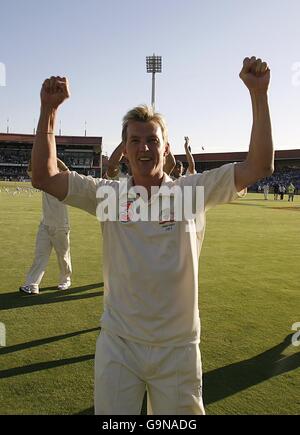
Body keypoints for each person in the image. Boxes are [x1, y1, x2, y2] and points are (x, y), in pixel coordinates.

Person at [30, 56, 273, 415]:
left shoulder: (192, 192)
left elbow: (259, 165)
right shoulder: (108, 196)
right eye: (135, 141)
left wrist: (258, 94)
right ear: (125, 151)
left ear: (166, 147)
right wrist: (48, 111)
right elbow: (44, 177)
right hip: (119, 344)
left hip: (178, 347)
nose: (144, 147)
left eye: (152, 140)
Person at [20, 159, 72, 295]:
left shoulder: (65, 181)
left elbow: (66, 170)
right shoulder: (44, 182)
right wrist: (34, 157)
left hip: (61, 226)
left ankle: (65, 280)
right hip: (45, 225)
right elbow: (31, 171)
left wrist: (51, 157)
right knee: (40, 256)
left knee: (63, 257)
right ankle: (32, 285)